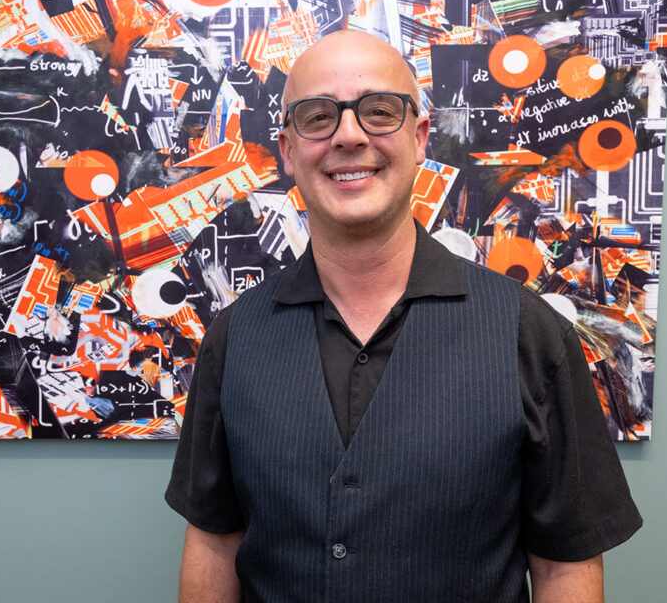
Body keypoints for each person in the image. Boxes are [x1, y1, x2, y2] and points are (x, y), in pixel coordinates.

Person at [165, 30, 641, 602]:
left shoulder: (529, 334)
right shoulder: (234, 337)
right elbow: (214, 547)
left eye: (379, 113)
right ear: (288, 152)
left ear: (419, 139)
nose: (348, 135)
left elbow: (567, 569)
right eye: (317, 117)